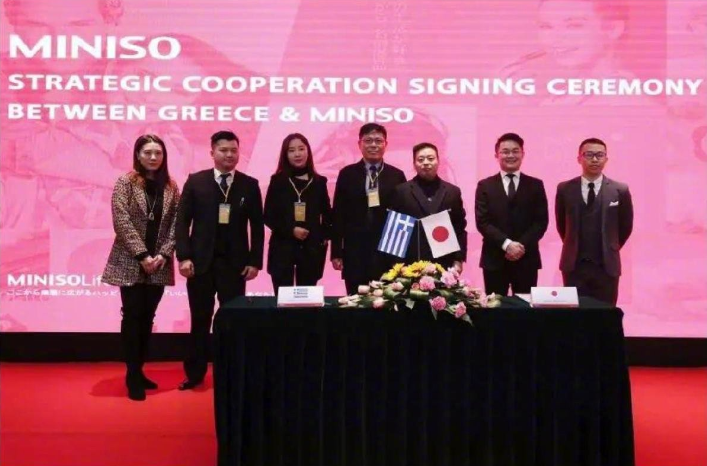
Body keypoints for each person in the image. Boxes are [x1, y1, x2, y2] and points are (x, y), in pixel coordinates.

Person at [175, 130, 264, 390]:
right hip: (200, 265)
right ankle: (195, 373)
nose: (229, 155)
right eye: (223, 150)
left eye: (234, 150)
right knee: (200, 320)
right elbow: (182, 222)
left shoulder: (249, 184)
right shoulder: (196, 181)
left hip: (235, 267)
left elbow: (257, 227)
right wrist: (184, 257)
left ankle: (231, 373)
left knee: (233, 322)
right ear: (212, 152)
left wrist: (255, 261)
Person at [101, 134, 180, 401]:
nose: (153, 157)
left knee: (148, 318)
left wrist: (164, 253)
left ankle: (140, 368)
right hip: (131, 260)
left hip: (159, 263)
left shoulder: (171, 186)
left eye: (158, 153)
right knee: (132, 316)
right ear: (137, 155)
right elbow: (121, 220)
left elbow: (176, 224)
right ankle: (132, 373)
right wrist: (143, 255)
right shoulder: (125, 182)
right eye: (147, 152)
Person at [555, 137, 633, 305]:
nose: (595, 159)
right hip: (574, 266)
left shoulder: (620, 190)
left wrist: (611, 247)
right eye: (589, 155)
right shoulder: (565, 189)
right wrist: (572, 245)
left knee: (606, 314)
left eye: (600, 155)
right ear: (579, 158)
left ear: (606, 159)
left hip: (606, 266)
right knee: (574, 315)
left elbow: (625, 226)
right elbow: (561, 225)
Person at [331, 123, 407, 294]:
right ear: (359, 144)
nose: (373, 145)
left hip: (387, 252)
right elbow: (338, 214)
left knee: (385, 302)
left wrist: (400, 255)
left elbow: (402, 217)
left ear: (386, 144)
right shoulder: (347, 174)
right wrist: (336, 252)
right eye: (368, 140)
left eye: (378, 141)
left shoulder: (397, 175)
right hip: (354, 250)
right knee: (355, 301)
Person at [475, 133, 549, 296]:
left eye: (515, 151)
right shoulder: (485, 185)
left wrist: (520, 246)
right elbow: (483, 222)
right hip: (494, 258)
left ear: (523, 154)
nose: (510, 155)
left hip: (526, 258)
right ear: (497, 155)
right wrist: (507, 244)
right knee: (495, 307)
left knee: (524, 308)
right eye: (505, 151)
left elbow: (541, 222)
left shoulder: (536, 185)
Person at [263, 133, 332, 292]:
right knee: (282, 300)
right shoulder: (278, 181)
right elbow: (268, 215)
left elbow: (328, 214)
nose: (297, 154)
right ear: (285, 154)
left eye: (301, 149)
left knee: (306, 301)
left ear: (308, 151)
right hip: (282, 249)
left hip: (311, 251)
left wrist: (322, 238)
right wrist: (291, 230)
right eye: (291, 150)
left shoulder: (319, 182)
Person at [390, 142, 467, 270]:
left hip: (444, 263)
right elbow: (396, 232)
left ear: (438, 161)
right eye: (420, 159)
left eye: (430, 158)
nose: (426, 163)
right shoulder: (402, 191)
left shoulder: (453, 192)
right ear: (414, 164)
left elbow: (459, 228)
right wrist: (397, 265)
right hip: (410, 265)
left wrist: (458, 260)